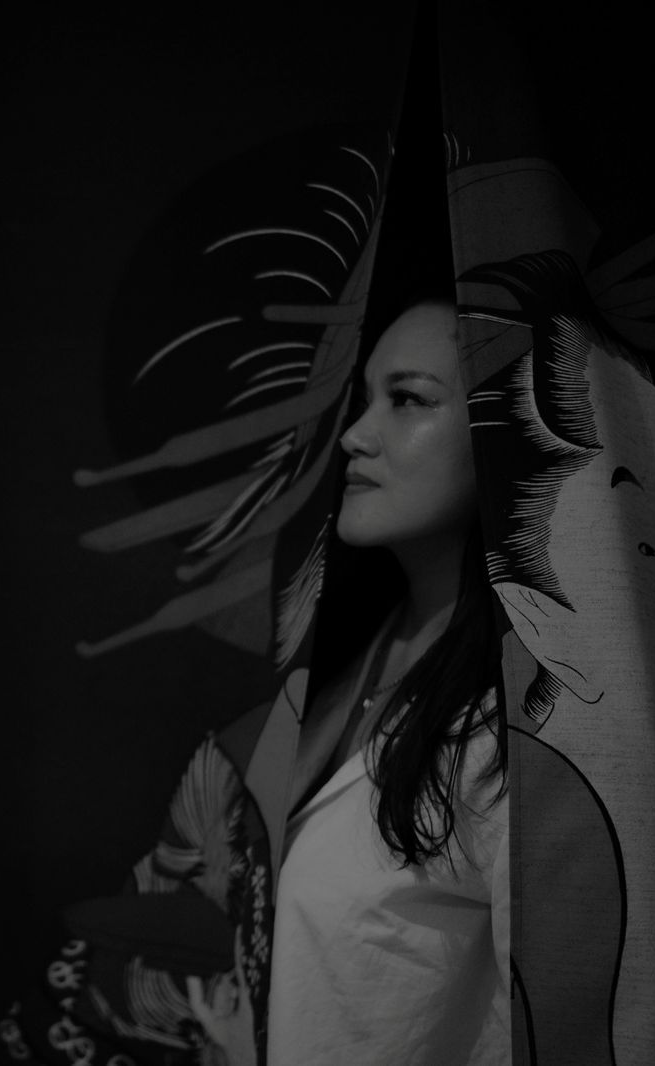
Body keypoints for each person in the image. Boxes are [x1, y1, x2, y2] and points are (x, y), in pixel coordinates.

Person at [189, 296, 509, 1064]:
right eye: (364, 399)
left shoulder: (520, 724)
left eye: (409, 400)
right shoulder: (330, 665)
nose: (355, 436)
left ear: (506, 428)